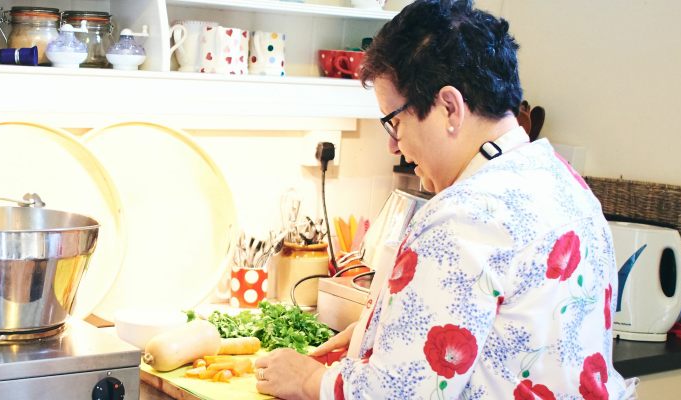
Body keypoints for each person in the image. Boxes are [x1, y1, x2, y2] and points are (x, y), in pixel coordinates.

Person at [253, 1, 637, 399]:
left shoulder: (463, 216)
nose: (392, 145)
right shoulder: (563, 182)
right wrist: (382, 332)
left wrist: (307, 380)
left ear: (450, 108)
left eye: (394, 122)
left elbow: (396, 395)